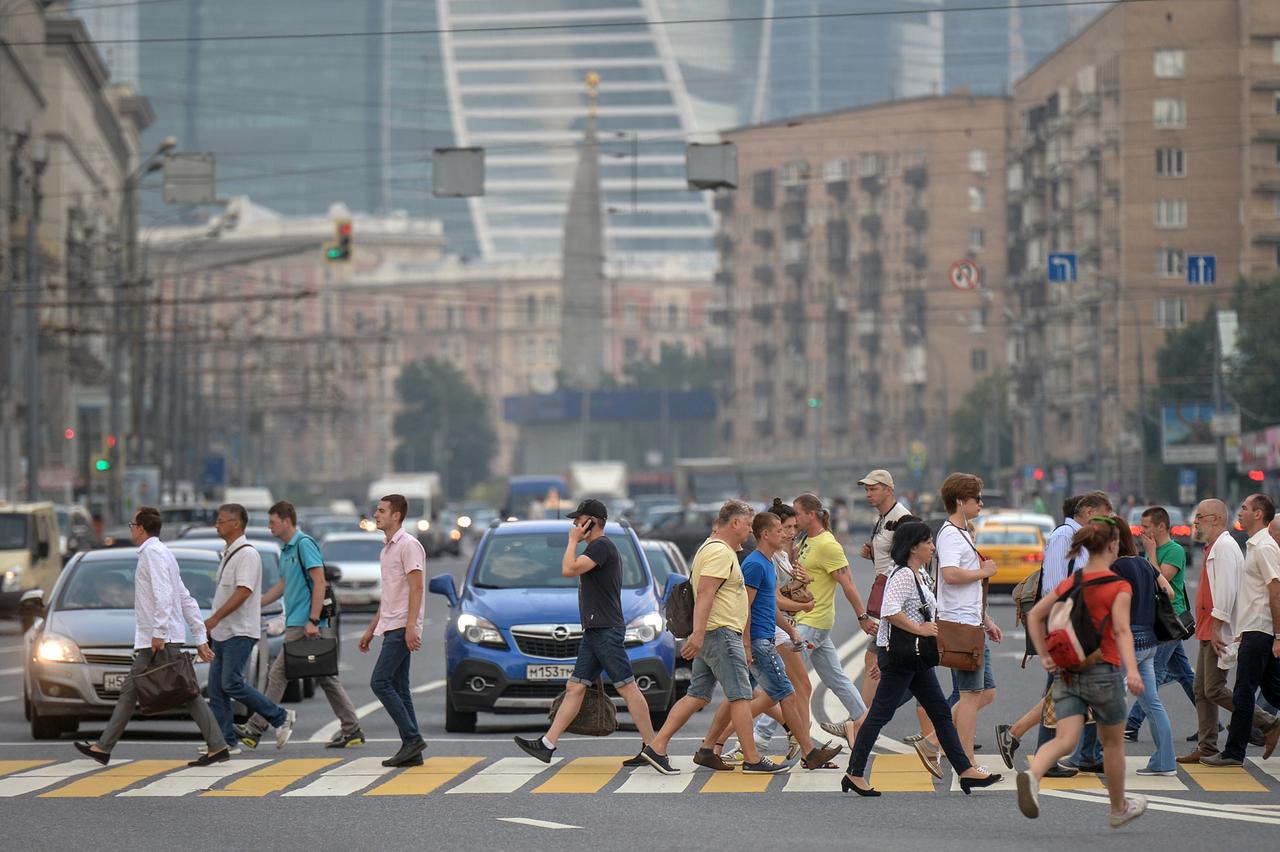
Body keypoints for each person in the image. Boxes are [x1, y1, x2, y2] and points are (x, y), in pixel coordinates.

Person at [840, 520, 1000, 796]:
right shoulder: (903, 574)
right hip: (902, 657)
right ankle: (854, 774)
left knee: (941, 713)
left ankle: (965, 771)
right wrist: (921, 629)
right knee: (879, 715)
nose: (932, 547)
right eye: (927, 542)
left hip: (917, 658)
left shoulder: (920, 574)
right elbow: (890, 611)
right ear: (914, 547)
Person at [1017, 515, 1148, 829]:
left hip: (1068, 671)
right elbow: (1122, 631)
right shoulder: (1118, 586)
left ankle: (1033, 775)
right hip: (1104, 673)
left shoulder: (1072, 581)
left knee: (1065, 740)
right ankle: (1118, 808)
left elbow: (1035, 615)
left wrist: (1045, 656)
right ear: (1113, 545)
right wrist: (1133, 670)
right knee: (1112, 744)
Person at [640, 500, 788, 775]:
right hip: (720, 633)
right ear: (734, 523)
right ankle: (752, 759)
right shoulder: (719, 552)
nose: (750, 531)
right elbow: (706, 594)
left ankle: (658, 747)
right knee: (741, 696)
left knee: (697, 694)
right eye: (747, 525)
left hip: (715, 632)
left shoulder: (715, 548)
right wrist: (697, 635)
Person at [74, 507, 229, 767]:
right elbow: (184, 597)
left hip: (159, 641)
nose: (131, 529)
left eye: (132, 525)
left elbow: (165, 594)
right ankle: (103, 747)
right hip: (159, 639)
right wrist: (200, 637)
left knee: (187, 692)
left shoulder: (153, 554)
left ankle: (217, 745)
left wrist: (159, 632)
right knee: (135, 690)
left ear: (141, 528)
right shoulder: (163, 553)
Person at [515, 499, 658, 767]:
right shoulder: (598, 547)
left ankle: (654, 747)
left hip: (605, 630)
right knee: (575, 687)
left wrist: (572, 541)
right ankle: (547, 744)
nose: (574, 524)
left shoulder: (601, 546)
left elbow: (568, 569)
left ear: (592, 522)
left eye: (578, 520)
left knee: (627, 687)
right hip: (595, 630)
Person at [697, 512, 842, 771]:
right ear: (765, 535)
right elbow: (745, 607)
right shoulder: (754, 564)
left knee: (746, 697)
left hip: (766, 638)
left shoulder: (768, 563)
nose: (785, 534)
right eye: (779, 530)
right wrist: (746, 644)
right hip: (759, 642)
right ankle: (808, 752)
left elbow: (769, 606)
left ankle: (710, 747)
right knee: (786, 694)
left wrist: (791, 631)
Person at [995, 492, 1112, 776]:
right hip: (1067, 622)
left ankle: (1075, 752)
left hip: (1077, 621)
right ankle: (1034, 748)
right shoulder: (1064, 536)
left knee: (1067, 688)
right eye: (1104, 515)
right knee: (1061, 690)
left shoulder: (1081, 537)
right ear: (1087, 511)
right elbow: (1055, 585)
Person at [237, 501, 363, 750]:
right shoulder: (286, 549)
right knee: (325, 677)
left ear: (287, 521)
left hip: (305, 623)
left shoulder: (304, 544)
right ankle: (352, 729)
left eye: (273, 522)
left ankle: (255, 728)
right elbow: (284, 584)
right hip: (297, 620)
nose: (270, 527)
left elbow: (319, 582)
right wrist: (257, 603)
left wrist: (313, 620)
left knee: (278, 674)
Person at [761, 494, 870, 751]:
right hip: (805, 619)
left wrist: (862, 616)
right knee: (836, 678)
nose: (793, 520)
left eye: (797, 514)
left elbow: (848, 583)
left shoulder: (828, 545)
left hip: (812, 621)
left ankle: (760, 735)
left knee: (786, 681)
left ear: (811, 515)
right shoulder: (804, 541)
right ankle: (864, 722)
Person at [1178, 498, 1268, 763]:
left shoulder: (1225, 547)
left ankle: (1268, 722)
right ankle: (1207, 746)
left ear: (1216, 519)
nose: (1195, 523)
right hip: (1208, 628)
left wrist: (1218, 627)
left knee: (1214, 689)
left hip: (1218, 629)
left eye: (1200, 517)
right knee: (1201, 689)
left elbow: (1227, 592)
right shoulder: (1214, 546)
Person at [204, 503, 295, 755]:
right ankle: (225, 742)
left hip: (239, 631)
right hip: (224, 631)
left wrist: (215, 618)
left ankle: (280, 716)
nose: (217, 525)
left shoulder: (247, 554)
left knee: (231, 683)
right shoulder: (229, 553)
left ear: (236, 524)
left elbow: (244, 591)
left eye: (221, 521)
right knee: (216, 690)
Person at [926, 473, 1002, 770]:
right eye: (976, 499)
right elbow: (951, 575)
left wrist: (986, 620)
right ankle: (968, 761)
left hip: (972, 623)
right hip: (960, 626)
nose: (980, 503)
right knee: (970, 695)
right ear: (960, 501)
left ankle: (932, 740)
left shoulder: (962, 533)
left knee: (987, 692)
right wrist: (984, 572)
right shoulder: (949, 534)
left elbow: (965, 587)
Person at [1200, 494, 1280, 764]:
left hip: (1261, 630)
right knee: (1273, 691)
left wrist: (1278, 636)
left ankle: (1234, 752)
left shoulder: (1265, 547)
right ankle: (1259, 734)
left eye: (1244, 508)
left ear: (1258, 514)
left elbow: (1275, 592)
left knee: (1244, 692)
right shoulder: (1254, 545)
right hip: (1253, 629)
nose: (1239, 512)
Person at [359, 494, 429, 767]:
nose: (376, 515)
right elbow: (389, 595)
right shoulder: (386, 549)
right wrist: (371, 629)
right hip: (391, 624)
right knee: (400, 687)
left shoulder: (408, 545)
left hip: (402, 625)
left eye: (381, 511)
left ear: (396, 515)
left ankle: (412, 739)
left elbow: (417, 587)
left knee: (380, 682)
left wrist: (411, 626)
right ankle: (413, 749)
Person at [1108, 521, 1177, 775]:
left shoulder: (1115, 568)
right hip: (1149, 642)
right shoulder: (1145, 564)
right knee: (1152, 703)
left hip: (1127, 642)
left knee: (1105, 701)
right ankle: (1165, 762)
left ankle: (1094, 756)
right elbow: (1169, 592)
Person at [1125, 506, 1196, 741]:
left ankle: (1132, 724)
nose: (1141, 531)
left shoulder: (1175, 550)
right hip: (1158, 619)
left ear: (1161, 527)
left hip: (1171, 619)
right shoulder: (1152, 551)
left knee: (1153, 672)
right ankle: (1211, 724)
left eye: (1146, 526)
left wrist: (1151, 553)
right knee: (1185, 675)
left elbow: (1159, 582)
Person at [856, 470, 912, 714]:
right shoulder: (883, 517)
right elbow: (891, 554)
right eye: (867, 490)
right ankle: (864, 720)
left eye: (873, 489)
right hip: (889, 594)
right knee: (890, 663)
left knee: (879, 660)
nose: (868, 494)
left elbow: (909, 560)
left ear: (889, 490)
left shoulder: (902, 518)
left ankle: (863, 720)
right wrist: (873, 553)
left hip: (897, 598)